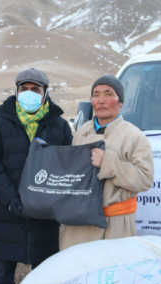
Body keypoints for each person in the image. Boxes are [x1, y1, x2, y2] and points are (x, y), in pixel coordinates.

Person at [0, 68, 73, 284]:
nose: (29, 94)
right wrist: (11, 198)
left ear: (45, 93)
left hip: (44, 213)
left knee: (44, 274)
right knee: (2, 274)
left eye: (35, 89)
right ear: (16, 91)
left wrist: (51, 201)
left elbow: (66, 166)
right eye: (24, 89)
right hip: (8, 210)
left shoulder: (59, 126)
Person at [60, 75, 154, 250]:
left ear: (120, 102)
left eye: (108, 94)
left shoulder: (134, 136)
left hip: (114, 225)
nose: (101, 100)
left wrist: (109, 163)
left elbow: (145, 179)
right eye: (96, 95)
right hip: (78, 223)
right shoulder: (81, 132)